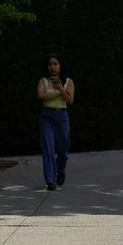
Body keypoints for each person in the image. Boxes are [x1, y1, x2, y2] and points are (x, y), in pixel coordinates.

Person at [36, 53, 74, 190]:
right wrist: (59, 92)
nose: (52, 67)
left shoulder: (68, 82)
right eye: (50, 64)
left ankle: (60, 169)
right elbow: (42, 96)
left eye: (55, 64)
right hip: (47, 117)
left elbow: (70, 100)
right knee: (48, 148)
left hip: (62, 116)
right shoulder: (43, 81)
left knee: (63, 149)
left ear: (60, 66)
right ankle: (50, 181)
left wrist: (60, 88)